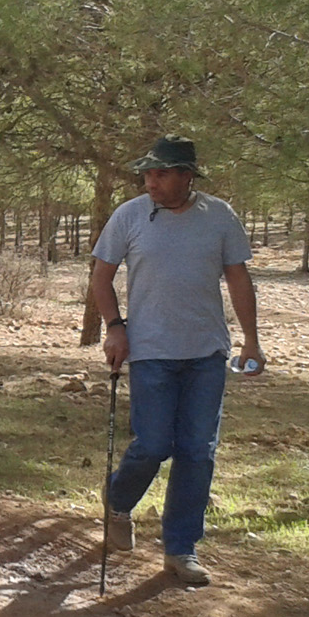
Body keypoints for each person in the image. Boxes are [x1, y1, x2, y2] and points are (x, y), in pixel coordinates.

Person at [90, 135, 264, 587]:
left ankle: (181, 548)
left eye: (162, 173)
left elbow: (239, 279)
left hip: (206, 351)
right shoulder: (128, 216)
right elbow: (101, 277)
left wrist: (251, 340)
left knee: (197, 451)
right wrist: (114, 327)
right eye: (147, 173)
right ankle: (117, 498)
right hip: (149, 351)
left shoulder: (219, 215)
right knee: (152, 444)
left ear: (187, 176)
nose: (152, 181)